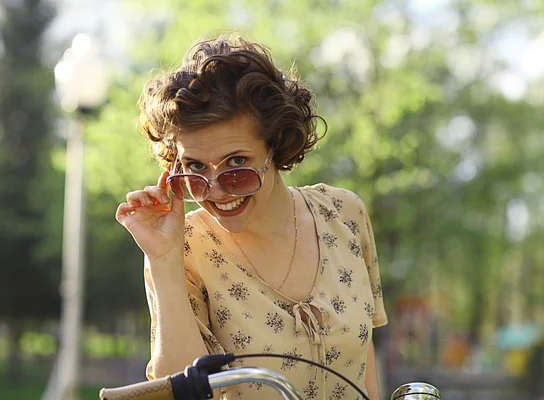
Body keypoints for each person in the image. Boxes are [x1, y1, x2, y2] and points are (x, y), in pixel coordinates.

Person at [116, 34, 387, 400]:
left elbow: (363, 360)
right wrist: (164, 260)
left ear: (274, 144)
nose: (216, 190)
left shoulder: (345, 214)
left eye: (237, 163)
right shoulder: (181, 248)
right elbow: (179, 392)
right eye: (195, 168)